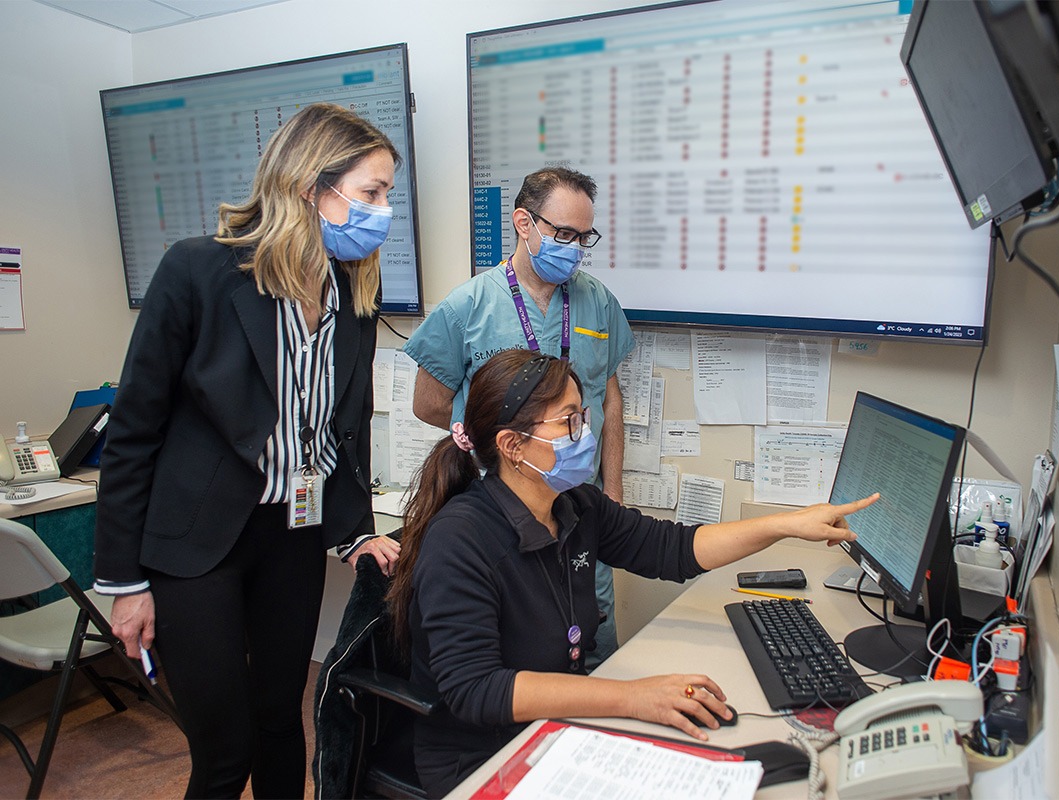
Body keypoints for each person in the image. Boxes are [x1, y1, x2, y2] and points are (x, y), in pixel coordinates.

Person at [385, 349, 878, 796]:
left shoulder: (573, 505)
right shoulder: (460, 540)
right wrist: (633, 697)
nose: (588, 434)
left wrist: (787, 524)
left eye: (585, 415)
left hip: (557, 725)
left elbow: (674, 548)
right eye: (569, 423)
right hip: (481, 759)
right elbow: (478, 690)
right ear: (513, 445)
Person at [92, 102, 402, 799]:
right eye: (372, 193)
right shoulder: (199, 272)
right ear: (308, 184)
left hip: (288, 536)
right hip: (193, 546)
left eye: (388, 195)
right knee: (225, 748)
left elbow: (341, 427)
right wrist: (123, 583)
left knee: (280, 723)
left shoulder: (352, 290)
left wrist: (355, 532)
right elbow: (134, 431)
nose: (385, 211)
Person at [404, 166, 635, 664]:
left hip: (579, 505)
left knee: (595, 650)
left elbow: (608, 397)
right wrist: (492, 438)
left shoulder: (597, 302)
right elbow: (428, 402)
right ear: (523, 223)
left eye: (583, 237)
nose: (574, 248)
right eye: (563, 234)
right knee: (521, 652)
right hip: (504, 506)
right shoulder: (469, 306)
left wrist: (611, 490)